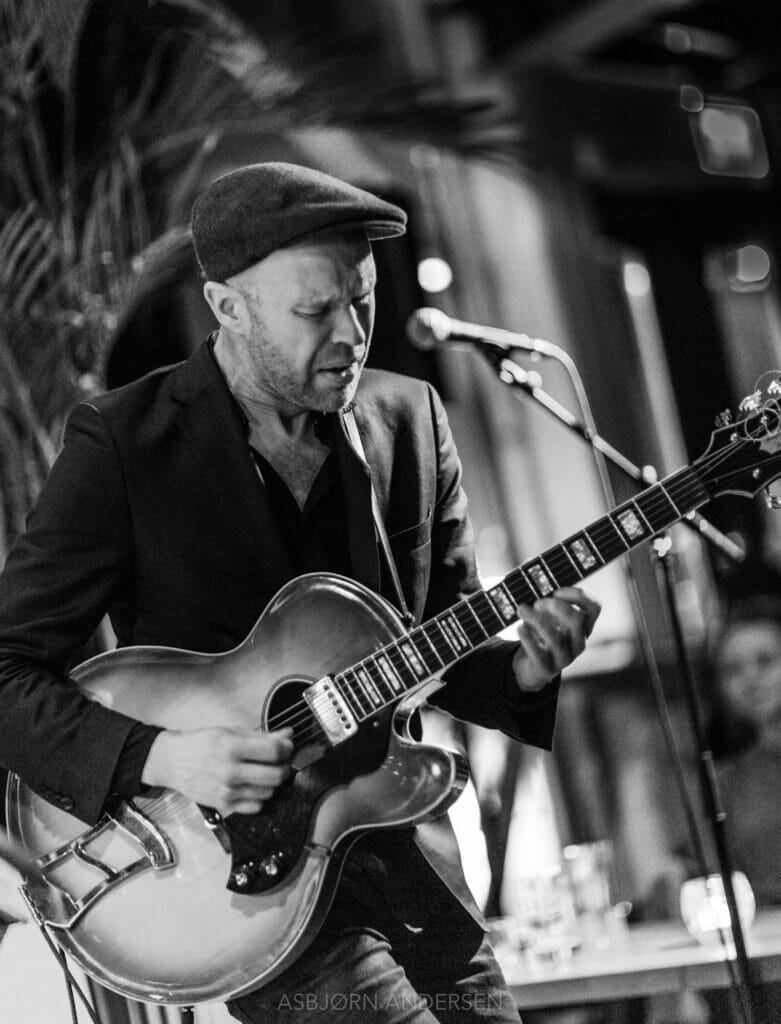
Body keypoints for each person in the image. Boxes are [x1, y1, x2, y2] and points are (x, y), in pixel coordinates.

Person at [0, 162, 600, 1023]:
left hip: (414, 868)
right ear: (227, 308)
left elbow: (436, 648)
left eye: (361, 301)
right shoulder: (126, 445)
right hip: (245, 889)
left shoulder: (410, 420)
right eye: (315, 311)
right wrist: (163, 756)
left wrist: (527, 673)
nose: (351, 334)